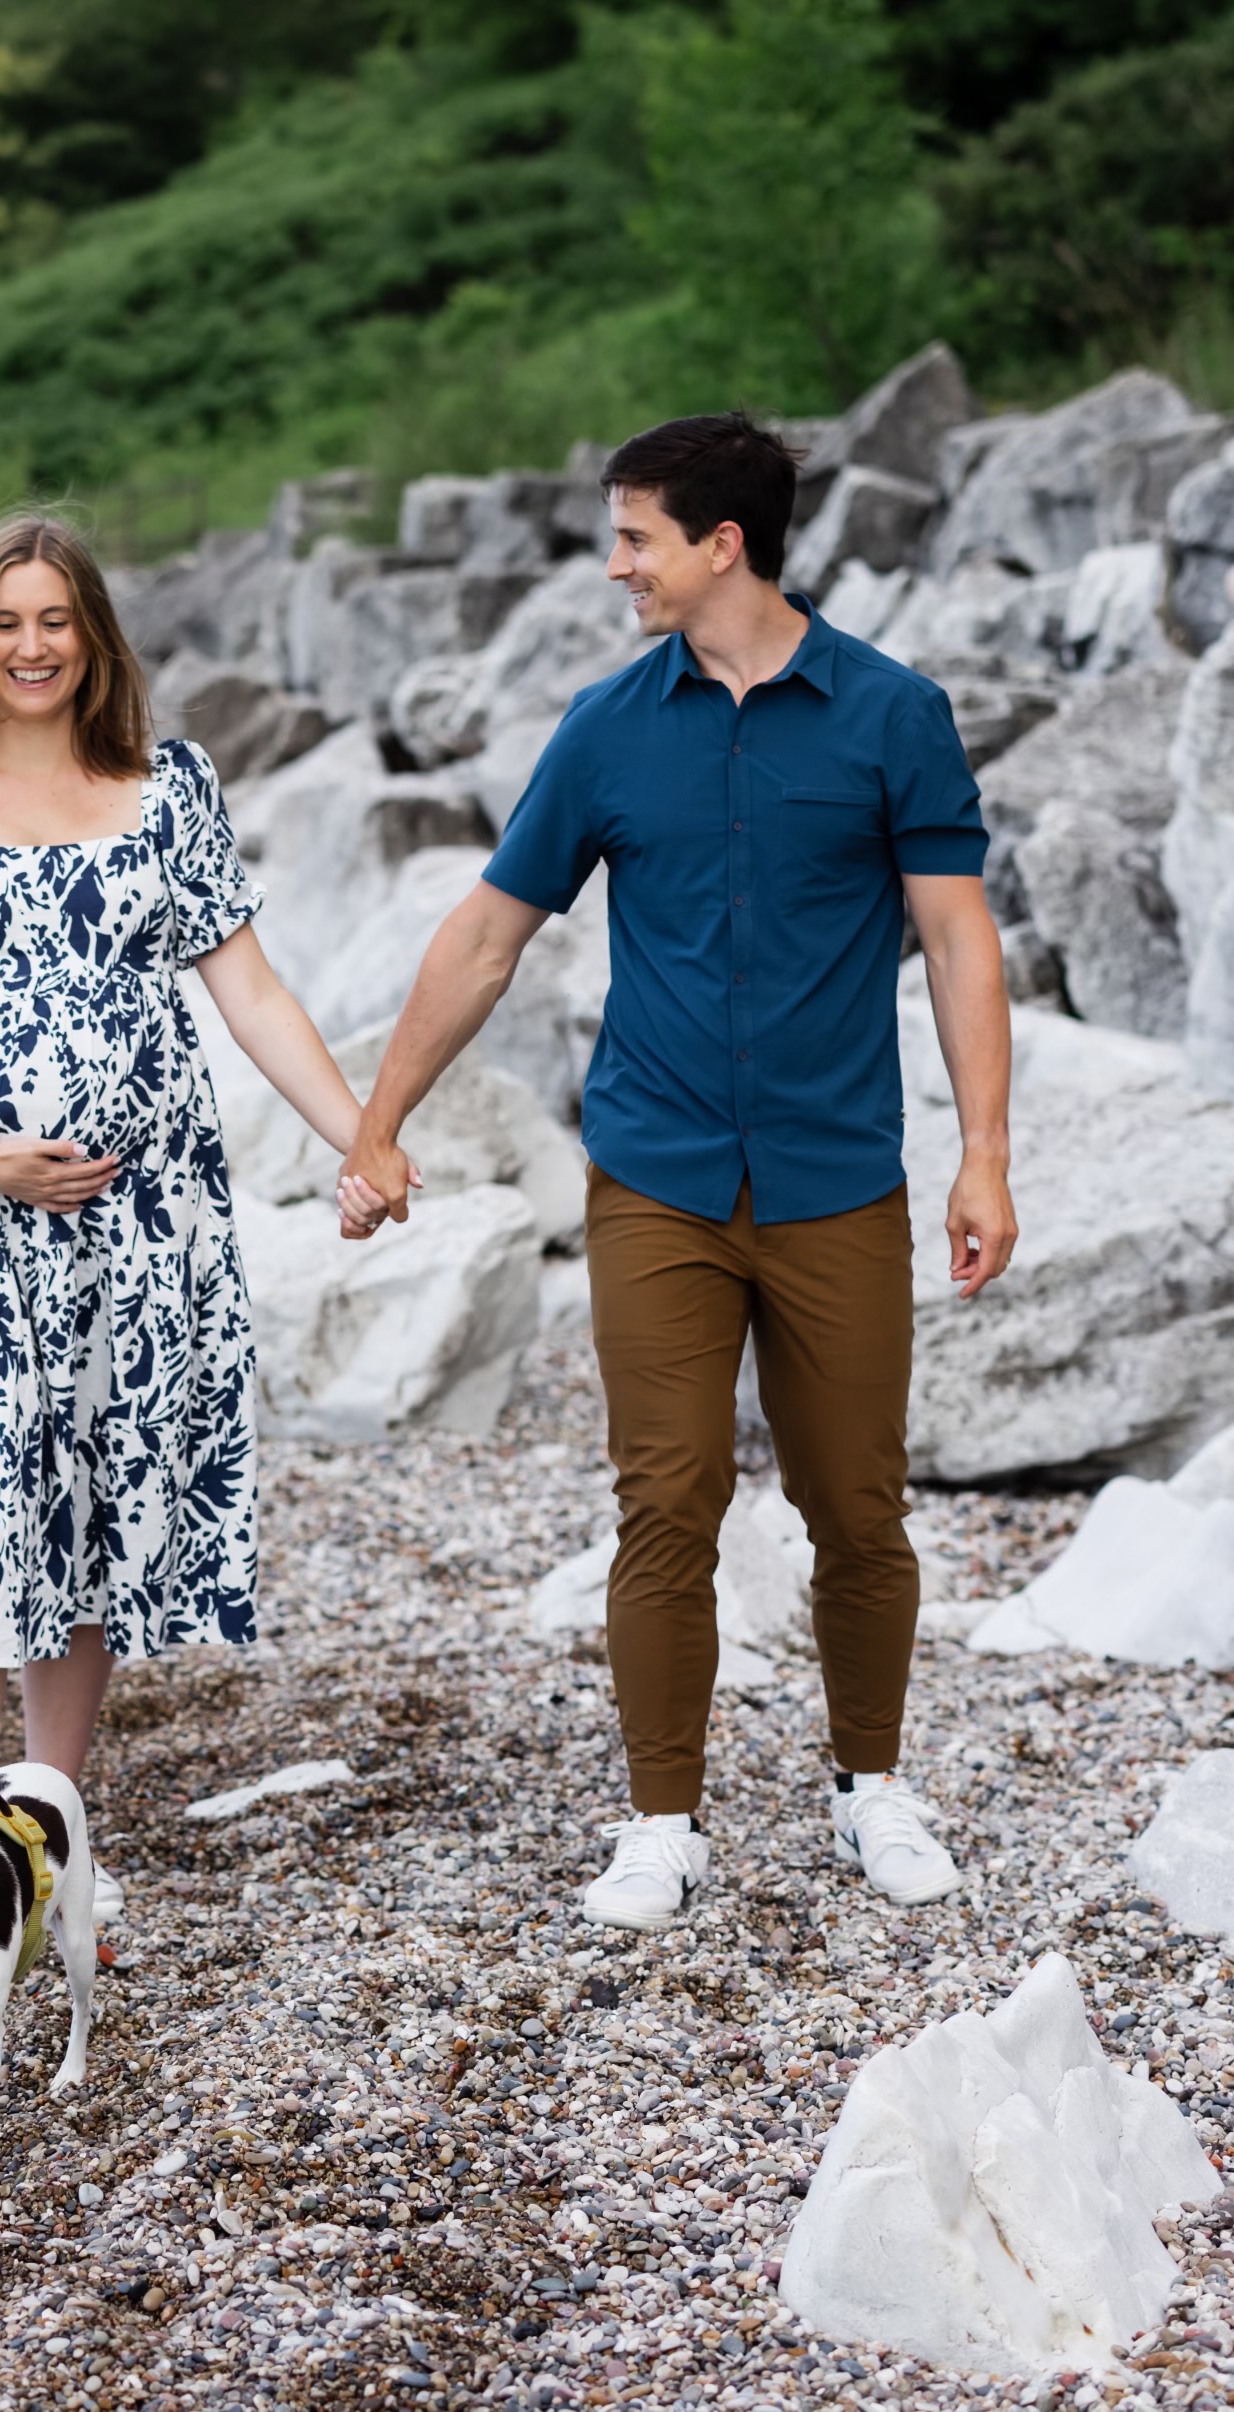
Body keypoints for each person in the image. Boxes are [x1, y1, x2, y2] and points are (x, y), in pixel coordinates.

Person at [335, 413, 1017, 1930]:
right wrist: (380, 1123)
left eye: (635, 536)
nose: (614, 565)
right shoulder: (603, 726)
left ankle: (872, 1787)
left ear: (725, 545)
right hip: (655, 1177)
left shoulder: (893, 714)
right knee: (668, 1502)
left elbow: (961, 941)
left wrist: (985, 1154)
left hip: (840, 1175)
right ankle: (663, 1818)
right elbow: (489, 935)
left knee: (858, 1506)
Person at [0, 511, 370, 1914]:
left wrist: (361, 1132)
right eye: (6, 623)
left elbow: (248, 989)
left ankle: (53, 1847)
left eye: (55, 621)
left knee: (91, 1521)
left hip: (143, 1223)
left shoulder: (168, 786)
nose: (31, 647)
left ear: (93, 635)